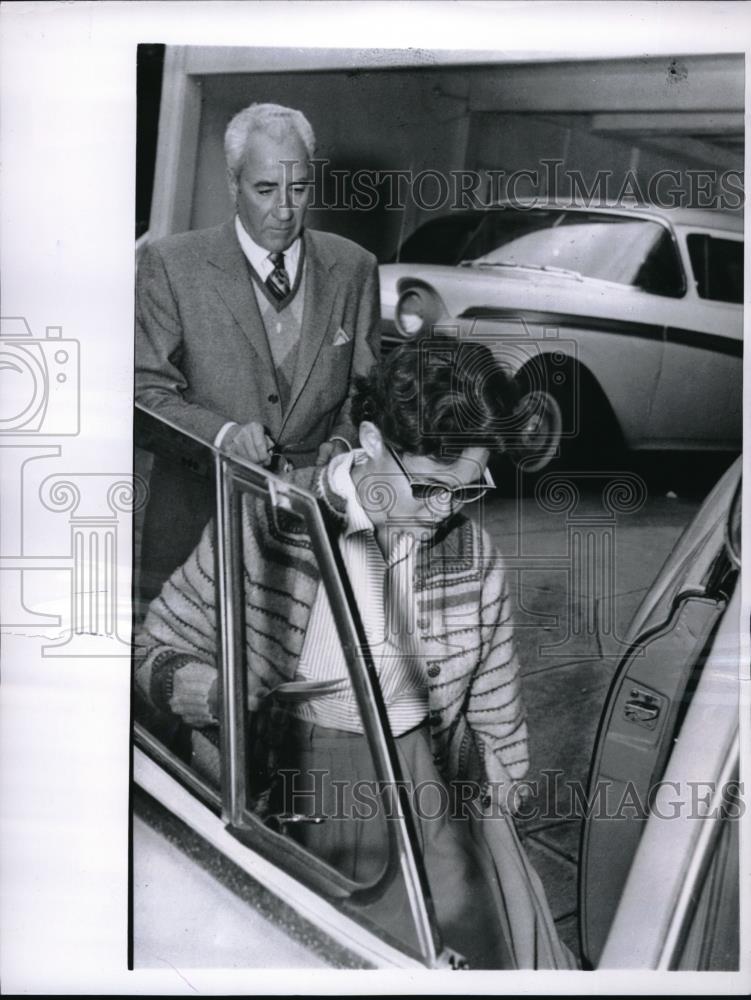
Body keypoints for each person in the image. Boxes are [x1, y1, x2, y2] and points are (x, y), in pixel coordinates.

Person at [135, 338, 573, 970]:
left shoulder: (474, 558)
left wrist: (493, 810)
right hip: (291, 789)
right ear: (370, 440)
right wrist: (213, 693)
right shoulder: (270, 521)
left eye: (468, 488)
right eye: (427, 487)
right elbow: (155, 649)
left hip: (426, 793)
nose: (444, 511)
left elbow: (498, 725)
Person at [135, 101, 380, 596]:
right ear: (233, 185)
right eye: (265, 189)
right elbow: (143, 394)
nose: (285, 210)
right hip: (197, 525)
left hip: (312, 538)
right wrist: (223, 435)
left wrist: (343, 444)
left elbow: (364, 391)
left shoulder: (354, 267)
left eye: (299, 188)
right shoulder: (170, 264)